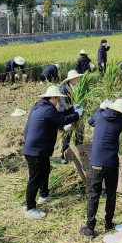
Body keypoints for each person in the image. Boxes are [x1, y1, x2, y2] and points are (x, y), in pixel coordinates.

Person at [22, 86, 82, 219]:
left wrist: (73, 109)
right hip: (35, 151)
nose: (58, 101)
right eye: (58, 99)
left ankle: (44, 196)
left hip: (38, 149)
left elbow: (60, 115)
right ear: (53, 98)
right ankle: (30, 208)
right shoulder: (47, 109)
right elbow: (63, 120)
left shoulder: (41, 106)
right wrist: (77, 114)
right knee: (35, 179)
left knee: (45, 171)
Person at [80, 98, 122, 236]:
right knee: (111, 193)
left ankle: (90, 227)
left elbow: (90, 122)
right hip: (112, 162)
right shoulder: (121, 122)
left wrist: (101, 108)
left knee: (93, 195)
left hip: (97, 163)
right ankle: (108, 223)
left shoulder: (100, 116)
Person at [58, 70, 83, 160]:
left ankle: (79, 154)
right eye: (75, 77)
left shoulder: (80, 86)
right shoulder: (64, 89)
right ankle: (64, 156)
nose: (77, 79)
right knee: (67, 136)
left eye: (77, 77)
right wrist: (73, 107)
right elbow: (63, 104)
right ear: (70, 79)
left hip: (79, 114)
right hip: (68, 115)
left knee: (80, 134)